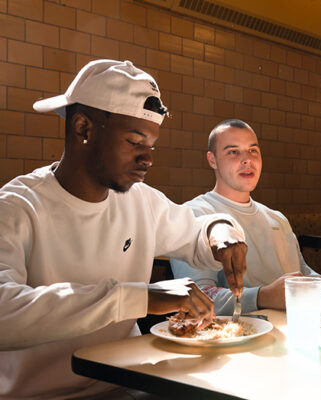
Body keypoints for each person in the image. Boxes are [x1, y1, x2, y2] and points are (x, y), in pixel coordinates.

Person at [0, 59, 248, 399]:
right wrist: (139, 298)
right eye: (135, 141)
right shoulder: (17, 206)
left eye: (151, 145)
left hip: (129, 385)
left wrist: (222, 230)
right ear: (83, 128)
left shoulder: (140, 201)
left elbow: (197, 231)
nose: (148, 158)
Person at [170, 119, 321, 315]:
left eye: (253, 150)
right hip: (238, 338)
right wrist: (262, 296)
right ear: (212, 160)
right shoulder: (194, 214)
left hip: (295, 329)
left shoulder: (277, 218)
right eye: (233, 152)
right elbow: (196, 297)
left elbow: (305, 273)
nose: (247, 159)